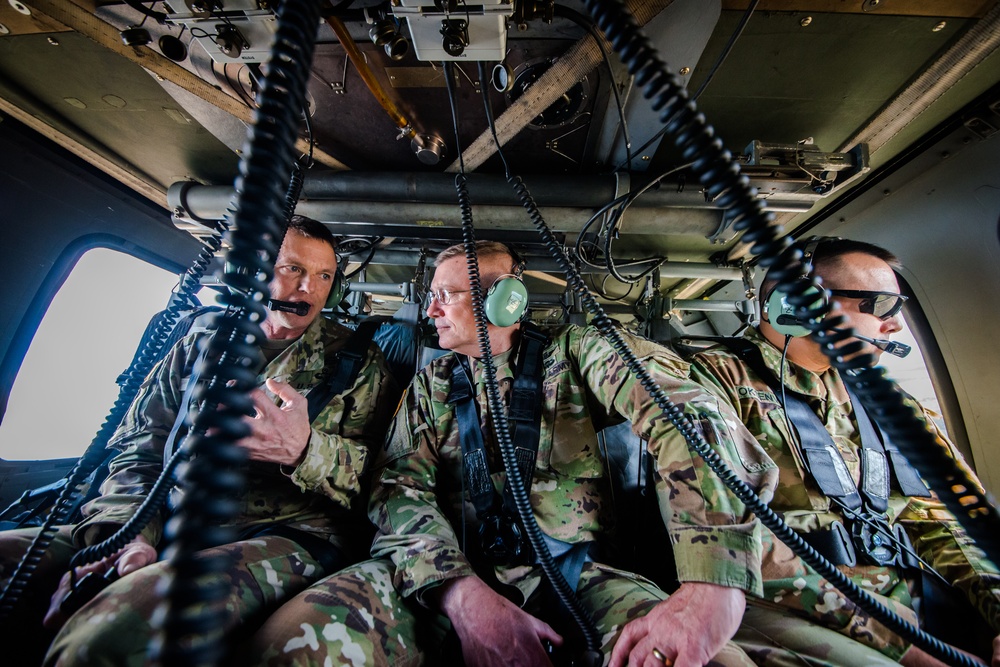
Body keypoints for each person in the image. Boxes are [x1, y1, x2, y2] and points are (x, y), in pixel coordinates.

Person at [244, 240, 788, 667]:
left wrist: (714, 585)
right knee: (291, 646)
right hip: (442, 575)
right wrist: (461, 595)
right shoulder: (432, 384)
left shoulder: (578, 354)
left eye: (446, 294)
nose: (428, 307)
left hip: (575, 577)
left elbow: (689, 414)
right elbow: (395, 491)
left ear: (505, 300)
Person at [0, 215, 395, 665]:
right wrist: (127, 534)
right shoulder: (202, 341)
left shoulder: (359, 362)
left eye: (324, 276)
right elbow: (141, 445)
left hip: (282, 531)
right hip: (163, 514)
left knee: (113, 631)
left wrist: (307, 450)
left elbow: (381, 480)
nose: (309, 288)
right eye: (293, 269)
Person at [687, 237, 1000, 666]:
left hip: (921, 599)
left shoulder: (891, 404)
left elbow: (947, 521)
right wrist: (905, 643)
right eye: (881, 305)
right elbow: (722, 538)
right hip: (797, 610)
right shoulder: (708, 385)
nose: (895, 325)